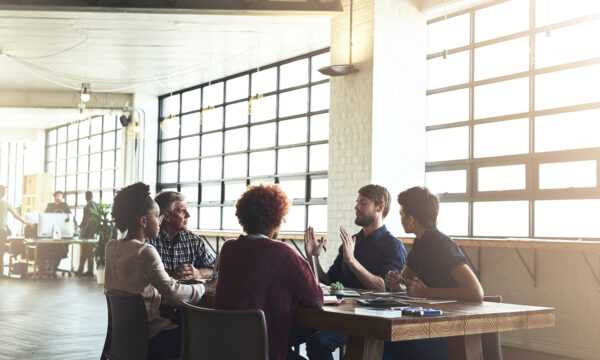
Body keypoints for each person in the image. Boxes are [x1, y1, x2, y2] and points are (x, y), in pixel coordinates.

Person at [215, 184, 324, 360]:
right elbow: (316, 300)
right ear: (276, 220)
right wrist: (311, 258)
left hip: (228, 349)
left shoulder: (228, 248)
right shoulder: (283, 253)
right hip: (265, 352)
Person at [105, 182, 213, 360]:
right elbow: (172, 294)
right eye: (157, 217)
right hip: (153, 336)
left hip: (125, 334)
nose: (159, 221)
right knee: (204, 335)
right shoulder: (145, 250)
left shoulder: (111, 247)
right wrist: (206, 288)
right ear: (143, 221)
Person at [300, 184, 407, 360]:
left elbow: (382, 287)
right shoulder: (351, 243)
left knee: (318, 343)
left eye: (363, 203)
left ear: (379, 207)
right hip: (338, 314)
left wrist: (352, 261)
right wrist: (313, 257)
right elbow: (327, 280)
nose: (356, 207)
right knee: (285, 331)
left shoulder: (393, 246)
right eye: (357, 202)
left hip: (368, 320)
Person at [383, 186, 483, 360]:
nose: (400, 219)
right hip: (425, 324)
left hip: (445, 333)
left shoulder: (442, 244)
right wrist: (396, 283)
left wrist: (427, 292)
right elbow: (404, 282)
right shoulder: (420, 243)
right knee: (376, 343)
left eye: (401, 214)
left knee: (377, 349)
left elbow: (476, 292)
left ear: (411, 220)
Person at [147, 191, 215, 279]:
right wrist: (169, 275)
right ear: (166, 216)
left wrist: (199, 273)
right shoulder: (147, 240)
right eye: (182, 211)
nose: (188, 215)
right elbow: (139, 275)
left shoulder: (193, 240)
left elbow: (216, 270)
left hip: (189, 292)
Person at [0, 185, 33, 277]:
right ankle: (0, 273)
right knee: (0, 252)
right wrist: (28, 223)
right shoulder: (5, 203)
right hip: (1, 231)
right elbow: (17, 216)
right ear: (2, 193)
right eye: (5, 191)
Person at [76, 191, 97, 277]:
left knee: (85, 252)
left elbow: (85, 220)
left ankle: (82, 270)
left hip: (86, 233)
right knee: (89, 252)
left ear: (86, 197)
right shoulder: (97, 205)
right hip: (94, 232)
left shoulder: (87, 207)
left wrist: (78, 227)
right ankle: (86, 270)